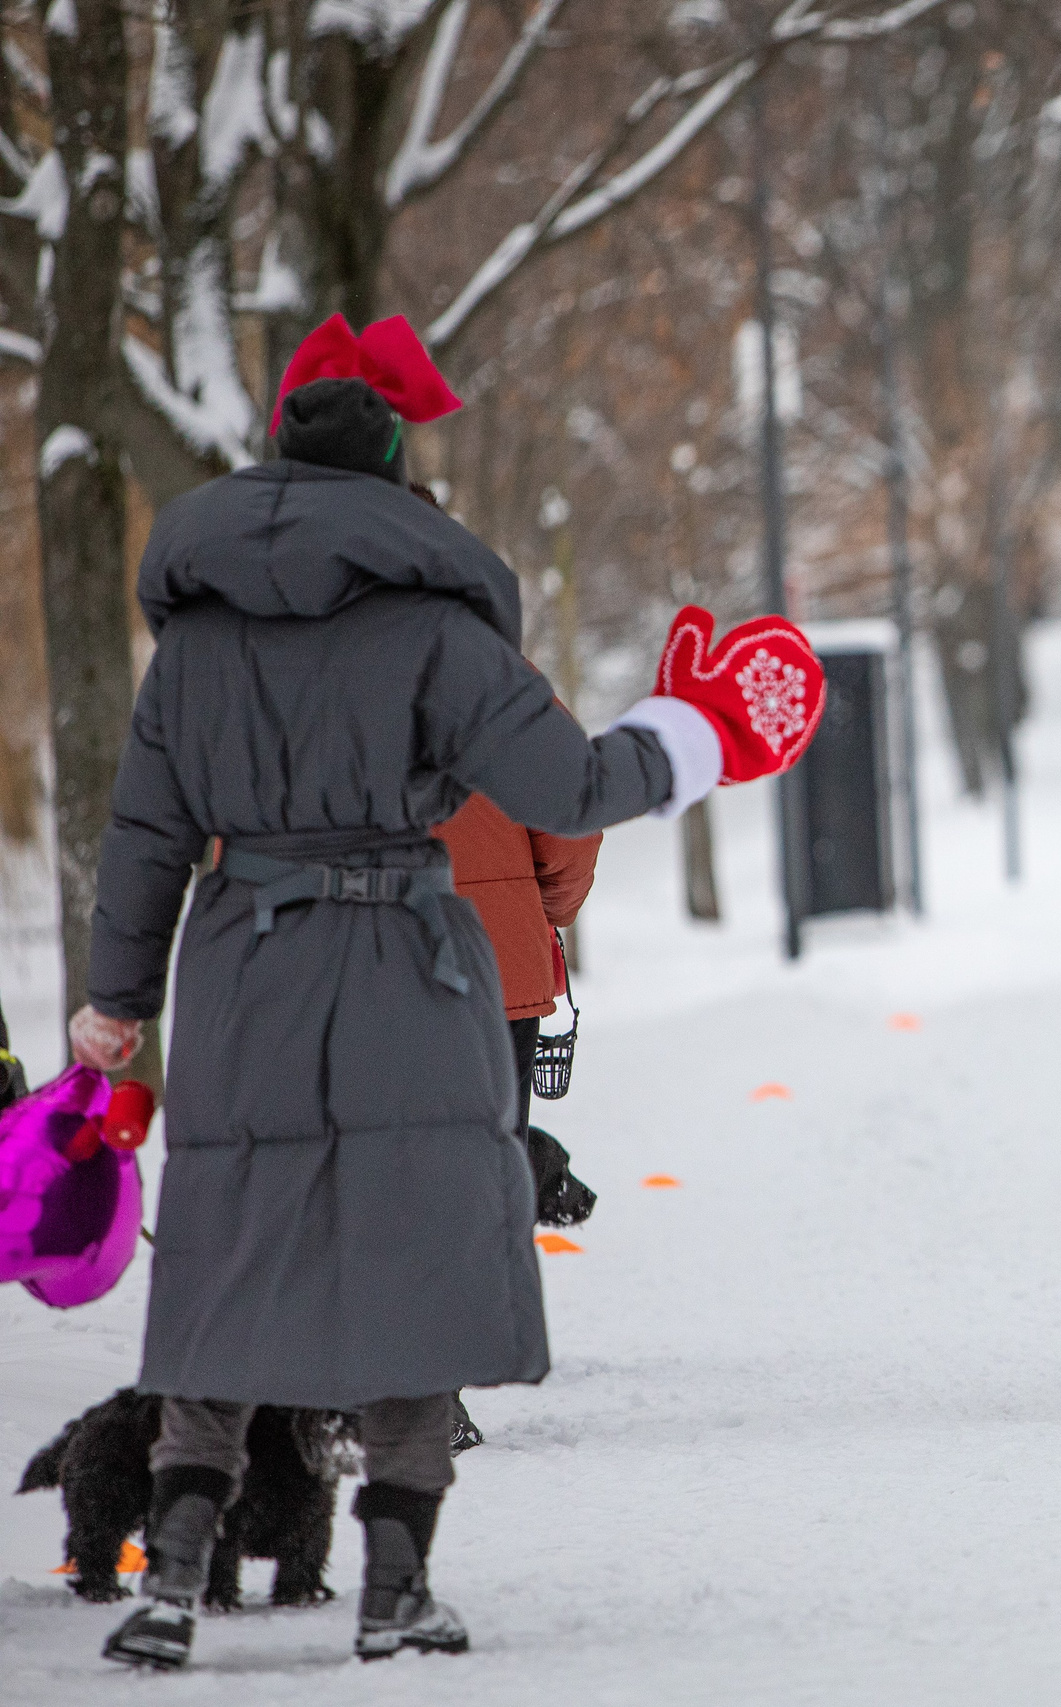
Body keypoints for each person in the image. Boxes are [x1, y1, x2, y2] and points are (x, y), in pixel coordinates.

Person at [67, 313, 796, 1667]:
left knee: (227, 1254)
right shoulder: (433, 630)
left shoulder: (196, 644)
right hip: (404, 959)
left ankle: (168, 1581)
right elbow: (570, 783)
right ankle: (395, 1588)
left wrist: (117, 1001)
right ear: (393, 476)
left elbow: (145, 838)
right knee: (418, 1255)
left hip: (243, 971)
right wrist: (694, 737)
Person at [433, 790, 600, 1452]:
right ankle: (436, 1385)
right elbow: (569, 812)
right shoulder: (504, 717)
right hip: (497, 960)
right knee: (479, 1176)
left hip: (368, 961)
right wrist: (538, 902)